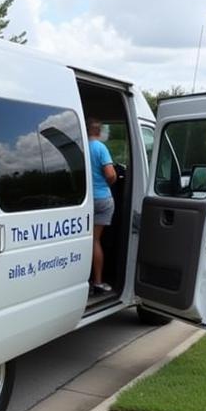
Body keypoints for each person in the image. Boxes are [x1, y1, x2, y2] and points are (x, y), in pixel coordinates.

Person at [87, 119, 117, 293]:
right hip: (101, 200)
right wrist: (108, 183)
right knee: (95, 240)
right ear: (98, 132)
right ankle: (97, 282)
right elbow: (111, 174)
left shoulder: (82, 146)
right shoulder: (100, 148)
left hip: (84, 201)